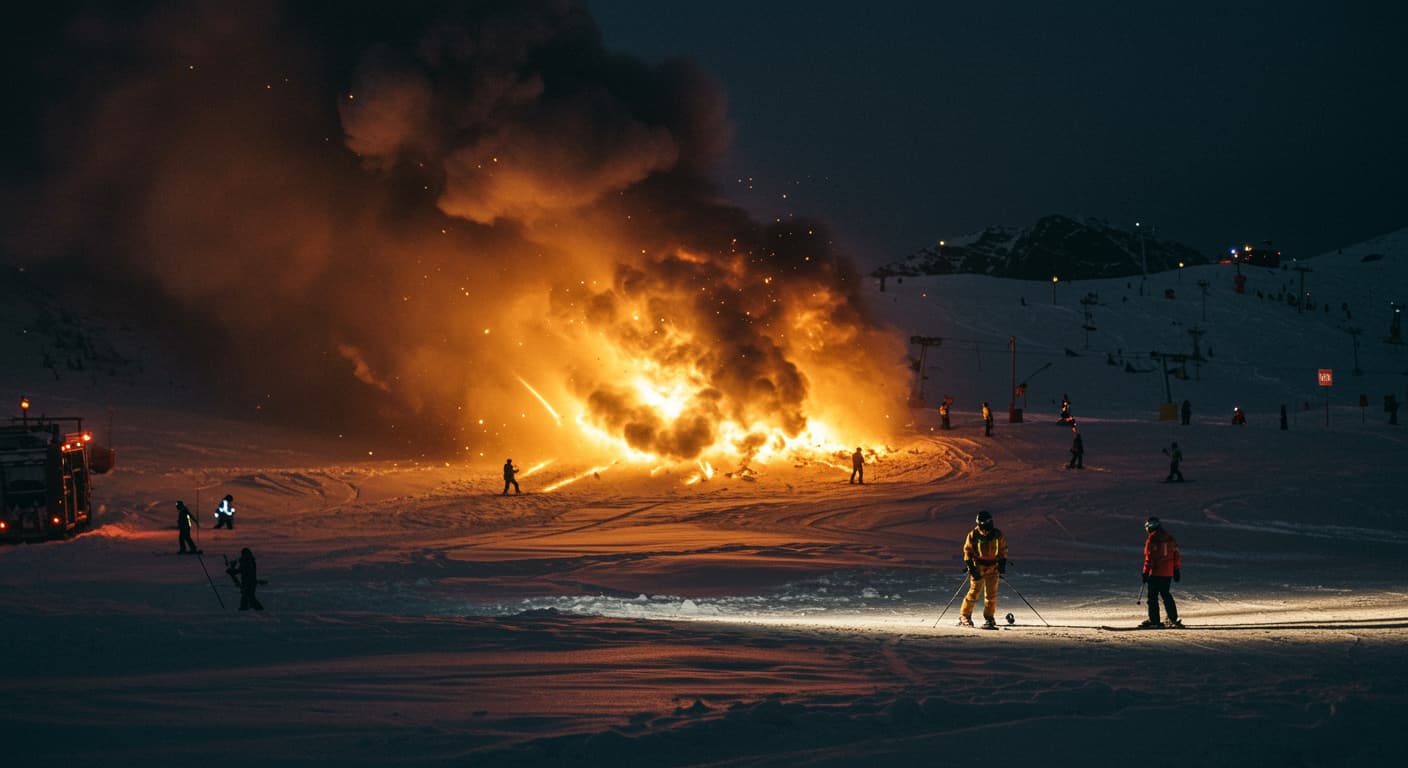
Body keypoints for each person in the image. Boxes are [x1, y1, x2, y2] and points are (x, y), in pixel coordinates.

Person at [959, 510, 1008, 629]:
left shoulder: (997, 535)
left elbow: (1003, 550)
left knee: (991, 595)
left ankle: (989, 617)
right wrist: (971, 567)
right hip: (978, 567)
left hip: (993, 567)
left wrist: (1002, 565)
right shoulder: (973, 535)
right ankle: (965, 616)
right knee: (974, 592)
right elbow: (967, 551)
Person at [1140, 517, 1182, 628]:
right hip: (1168, 573)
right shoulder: (1169, 538)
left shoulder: (1153, 539)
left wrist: (1145, 572)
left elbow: (1150, 558)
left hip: (1156, 572)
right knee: (1166, 594)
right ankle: (1173, 618)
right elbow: (1176, 554)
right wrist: (1176, 569)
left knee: (1152, 597)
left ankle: (1154, 620)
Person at [226, 547, 264, 611]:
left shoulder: (246, 561)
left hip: (248, 583)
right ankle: (244, 609)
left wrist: (231, 570)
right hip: (251, 582)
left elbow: (240, 570)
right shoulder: (250, 561)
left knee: (249, 597)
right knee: (247, 596)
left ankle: (258, 609)